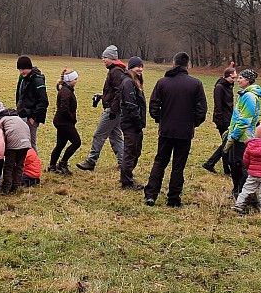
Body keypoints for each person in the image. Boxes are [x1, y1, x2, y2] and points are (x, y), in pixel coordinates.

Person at [143, 52, 207, 207]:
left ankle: (151, 194)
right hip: (184, 132)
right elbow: (202, 110)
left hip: (166, 129)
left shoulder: (163, 82)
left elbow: (153, 106)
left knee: (160, 161)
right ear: (187, 65)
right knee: (179, 165)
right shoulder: (196, 84)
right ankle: (173, 198)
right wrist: (192, 123)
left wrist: (161, 119)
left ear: (173, 64)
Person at [76, 45, 126, 171]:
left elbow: (120, 92)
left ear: (112, 58)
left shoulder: (116, 72)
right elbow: (114, 92)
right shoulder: (116, 70)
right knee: (116, 137)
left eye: (105, 57)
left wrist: (113, 110)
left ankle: (91, 161)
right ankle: (123, 163)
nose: (103, 60)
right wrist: (102, 96)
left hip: (112, 110)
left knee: (99, 135)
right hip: (115, 110)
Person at [224, 69, 261, 196]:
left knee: (239, 166)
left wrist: (233, 137)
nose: (238, 80)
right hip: (236, 134)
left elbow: (244, 121)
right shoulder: (244, 94)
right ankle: (237, 190)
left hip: (242, 138)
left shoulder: (249, 96)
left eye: (241, 78)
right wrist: (229, 131)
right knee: (233, 164)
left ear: (248, 80)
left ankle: (243, 193)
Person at [202, 66, 238, 175]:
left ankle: (211, 164)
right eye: (233, 76)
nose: (235, 79)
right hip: (223, 120)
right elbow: (218, 106)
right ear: (228, 76)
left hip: (229, 118)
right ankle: (223, 168)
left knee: (227, 143)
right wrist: (220, 121)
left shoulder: (229, 86)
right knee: (227, 143)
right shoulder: (219, 87)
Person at [119, 56, 147, 190]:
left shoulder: (135, 81)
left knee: (136, 151)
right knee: (130, 152)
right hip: (131, 124)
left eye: (142, 66)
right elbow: (131, 105)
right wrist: (137, 124)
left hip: (136, 124)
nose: (140, 69)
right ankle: (126, 182)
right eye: (138, 66)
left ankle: (127, 176)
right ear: (131, 67)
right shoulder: (128, 83)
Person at [0, 107, 32, 194]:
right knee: (19, 165)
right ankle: (16, 186)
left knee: (8, 165)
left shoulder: (1, 120)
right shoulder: (18, 119)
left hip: (13, 143)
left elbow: (0, 135)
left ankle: (6, 188)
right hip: (26, 143)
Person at [49, 69, 80, 175]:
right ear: (70, 80)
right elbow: (64, 108)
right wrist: (72, 118)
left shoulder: (65, 89)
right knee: (76, 142)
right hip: (64, 122)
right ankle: (63, 163)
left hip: (61, 121)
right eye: (75, 79)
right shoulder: (66, 92)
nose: (76, 81)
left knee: (60, 144)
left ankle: (52, 166)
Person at [15, 56, 49, 151]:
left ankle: (35, 165)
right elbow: (19, 94)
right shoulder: (22, 78)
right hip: (21, 114)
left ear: (29, 67)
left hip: (31, 117)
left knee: (31, 144)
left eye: (24, 69)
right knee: (22, 143)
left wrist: (33, 117)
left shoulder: (38, 80)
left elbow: (44, 101)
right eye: (20, 69)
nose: (22, 72)